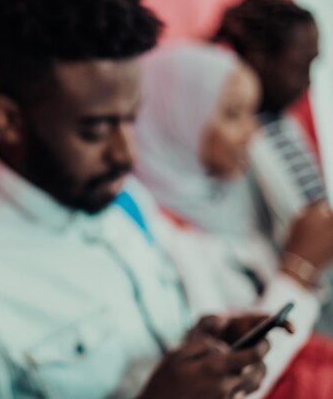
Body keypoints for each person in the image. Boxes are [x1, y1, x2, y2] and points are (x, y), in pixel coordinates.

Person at [0, 0, 274, 398]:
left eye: (130, 119)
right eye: (95, 129)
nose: (127, 153)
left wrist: (201, 343)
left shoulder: (115, 196)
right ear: (8, 120)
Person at [133, 41, 333, 396]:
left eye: (252, 113)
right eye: (232, 114)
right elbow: (222, 382)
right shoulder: (156, 233)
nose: (251, 133)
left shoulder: (229, 190)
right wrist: (299, 270)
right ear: (179, 115)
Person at [213, 0, 325, 243]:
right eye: (297, 66)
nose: (307, 82)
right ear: (258, 57)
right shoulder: (231, 143)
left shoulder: (284, 123)